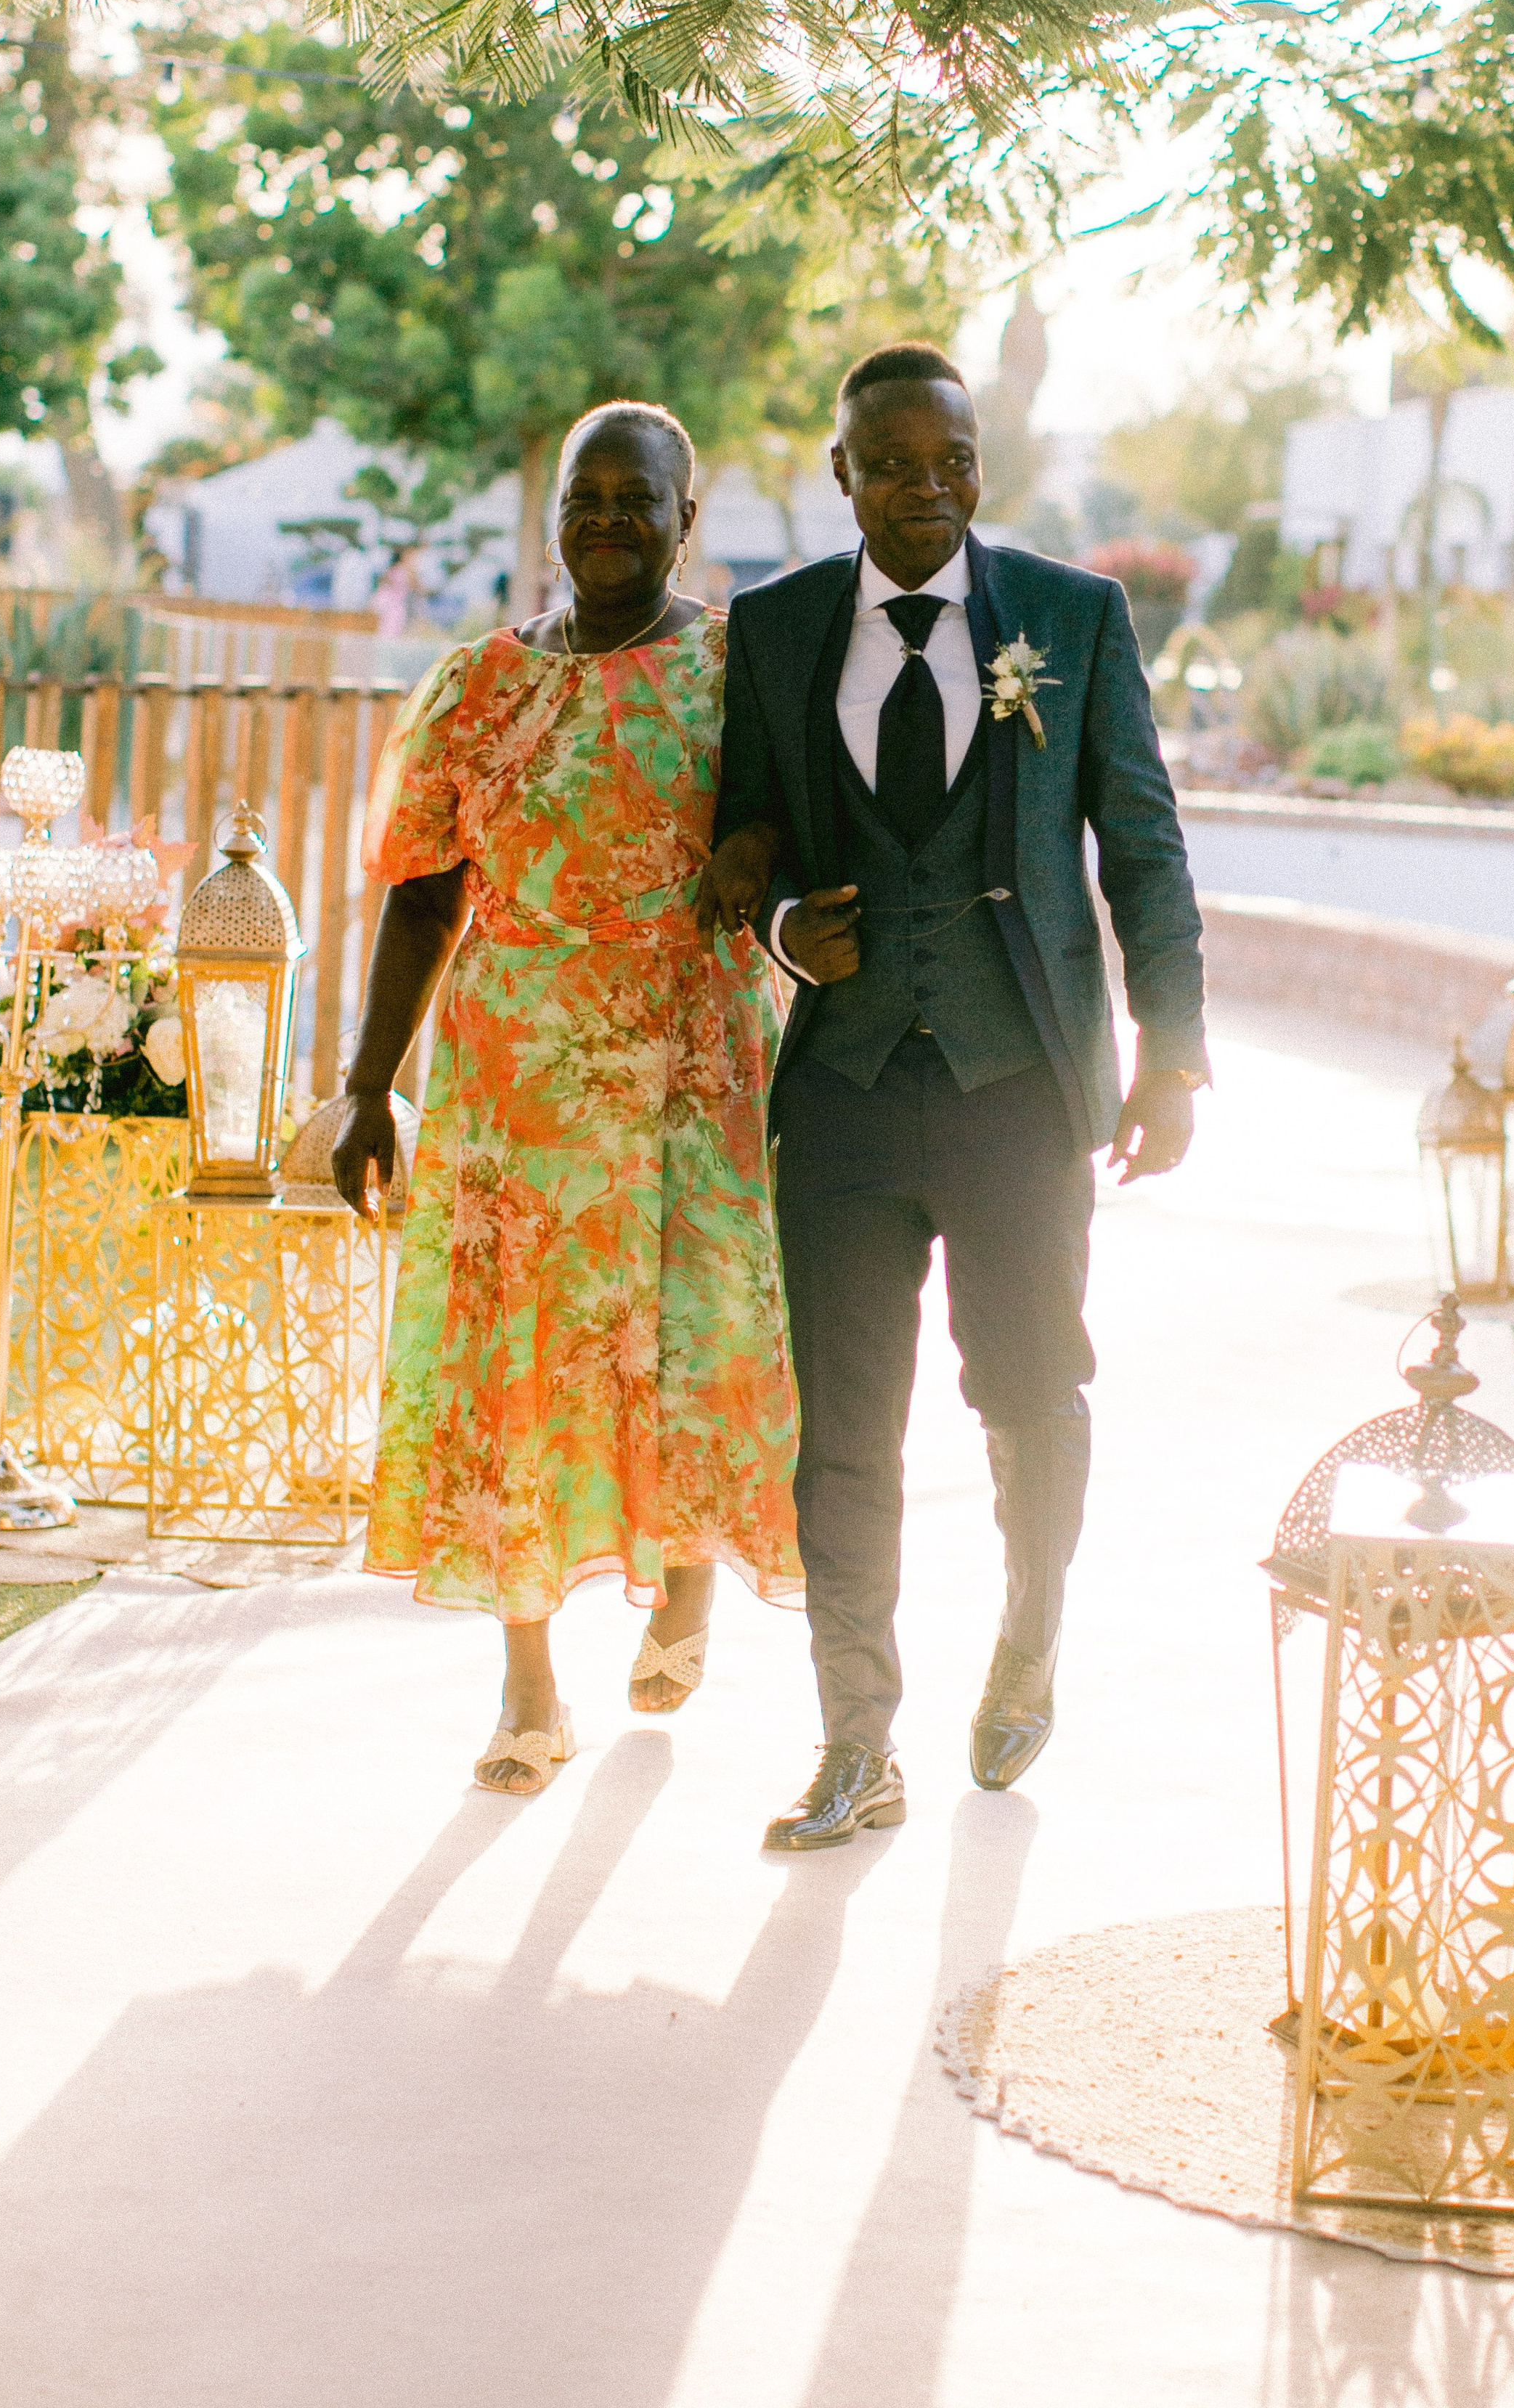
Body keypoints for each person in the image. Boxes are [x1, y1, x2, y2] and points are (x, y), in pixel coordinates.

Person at [702, 343, 1207, 1852]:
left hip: (1020, 1089)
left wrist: (1169, 1047)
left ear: (978, 470)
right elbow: (748, 837)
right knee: (844, 1431)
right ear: (840, 476)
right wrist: (787, 930)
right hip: (847, 1095)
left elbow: (1143, 842)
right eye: (893, 465)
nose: (925, 488)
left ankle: (1029, 1632)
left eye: (952, 462)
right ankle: (855, 1736)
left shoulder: (1069, 617)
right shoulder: (778, 629)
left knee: (1029, 1392)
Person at [333, 401, 802, 1797]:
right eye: (583, 498)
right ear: (553, 518)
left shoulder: (737, 670)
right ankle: (527, 1684)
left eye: (636, 498)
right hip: (514, 1082)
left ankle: (686, 1581)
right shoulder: (477, 686)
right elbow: (423, 899)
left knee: (684, 1342)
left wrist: (762, 857)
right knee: (518, 1371)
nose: (607, 520)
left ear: (686, 520)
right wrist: (369, 1090)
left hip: (684, 1060)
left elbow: (792, 836)